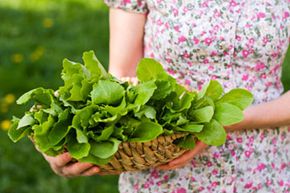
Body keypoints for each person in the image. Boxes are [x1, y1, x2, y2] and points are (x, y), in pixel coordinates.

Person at [40, 0, 290, 192]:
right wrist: (68, 143)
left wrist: (219, 122)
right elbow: (123, 79)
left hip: (264, 167)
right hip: (164, 168)